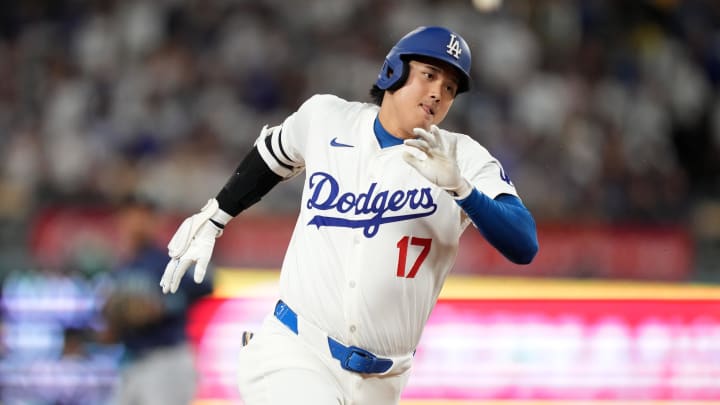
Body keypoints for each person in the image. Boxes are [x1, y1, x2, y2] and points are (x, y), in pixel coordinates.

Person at [160, 26, 538, 404]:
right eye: (429, 75)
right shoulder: (327, 119)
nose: (438, 92)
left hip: (383, 382)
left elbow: (524, 244)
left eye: (451, 87)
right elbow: (272, 155)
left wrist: (463, 190)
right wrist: (217, 215)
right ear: (394, 71)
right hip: (295, 351)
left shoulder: (463, 157)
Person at [100, 197, 212, 405]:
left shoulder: (168, 258)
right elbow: (109, 328)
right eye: (131, 217)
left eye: (143, 217)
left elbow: (206, 285)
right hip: (132, 361)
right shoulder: (121, 268)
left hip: (167, 360)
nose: (136, 223)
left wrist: (163, 306)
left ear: (155, 222)